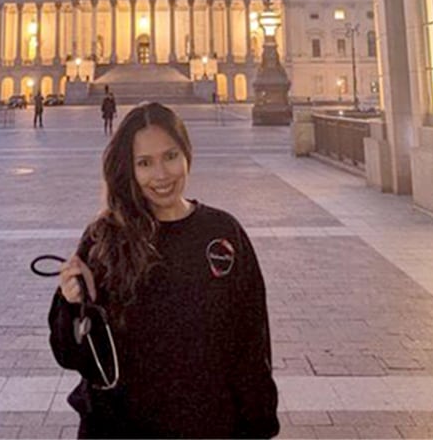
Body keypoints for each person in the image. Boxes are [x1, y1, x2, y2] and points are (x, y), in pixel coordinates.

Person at [48, 102, 279, 439]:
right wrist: (70, 304)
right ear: (129, 169)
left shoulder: (222, 233)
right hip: (120, 428)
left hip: (208, 427)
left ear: (186, 154)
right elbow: (72, 354)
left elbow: (251, 342)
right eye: (144, 163)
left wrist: (258, 425)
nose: (161, 175)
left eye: (170, 156)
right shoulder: (105, 239)